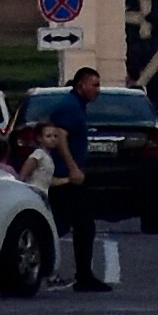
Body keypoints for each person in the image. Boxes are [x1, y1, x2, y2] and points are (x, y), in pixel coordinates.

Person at [46, 61, 103, 294]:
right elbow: (60, 136)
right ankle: (83, 276)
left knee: (67, 224)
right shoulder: (70, 107)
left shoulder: (76, 105)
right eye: (95, 85)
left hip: (69, 176)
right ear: (81, 85)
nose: (98, 89)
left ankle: (80, 274)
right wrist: (72, 168)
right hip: (65, 178)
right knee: (83, 224)